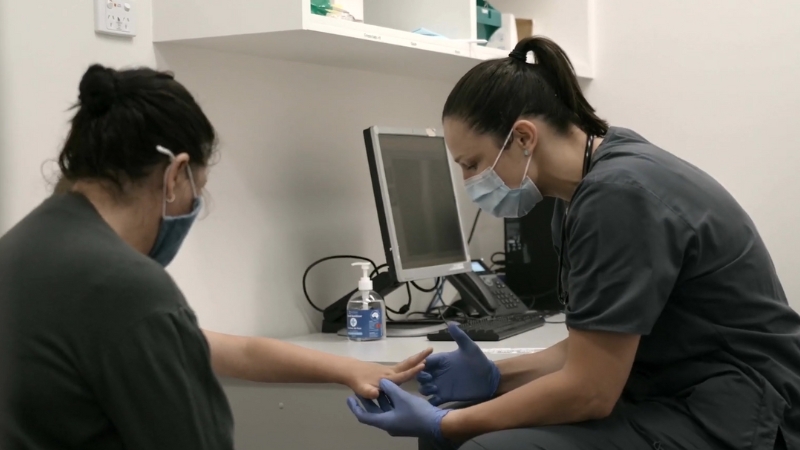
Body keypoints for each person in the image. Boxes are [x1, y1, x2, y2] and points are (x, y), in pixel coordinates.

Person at [346, 36, 800, 450]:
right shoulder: (585, 185)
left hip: (740, 412)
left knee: (476, 443)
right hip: (678, 389)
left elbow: (591, 390)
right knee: (459, 430)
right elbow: (592, 347)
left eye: (472, 163)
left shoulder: (618, 196)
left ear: (523, 137)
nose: (468, 181)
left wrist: (444, 423)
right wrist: (493, 376)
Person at [0, 64, 431, 450]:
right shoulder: (125, 286)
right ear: (174, 176)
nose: (193, 207)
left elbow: (219, 348)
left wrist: (345, 369)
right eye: (197, 191)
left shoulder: (26, 248)